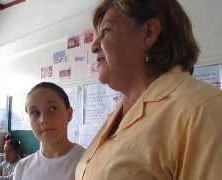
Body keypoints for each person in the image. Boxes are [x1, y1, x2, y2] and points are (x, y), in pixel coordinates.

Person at [75, 0, 222, 180]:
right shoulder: (118, 113)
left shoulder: (202, 109)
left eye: (106, 31)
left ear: (149, 33)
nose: (94, 45)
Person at [13, 82, 85, 180]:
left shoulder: (87, 162)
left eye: (52, 108)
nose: (43, 120)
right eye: (35, 113)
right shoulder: (22, 167)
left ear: (69, 114)